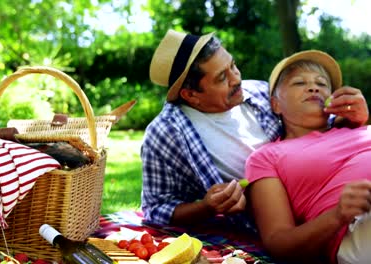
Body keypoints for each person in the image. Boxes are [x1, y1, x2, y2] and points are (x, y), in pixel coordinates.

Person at [140, 29, 369, 228]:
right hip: (283, 222)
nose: (237, 78)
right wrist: (207, 207)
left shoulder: (258, 93)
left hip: (325, 192)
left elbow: (323, 131)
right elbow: (156, 208)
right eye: (222, 78)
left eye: (233, 65)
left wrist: (355, 118)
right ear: (191, 95)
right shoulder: (165, 134)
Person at [245, 50, 371, 264]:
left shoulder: (354, 127)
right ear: (275, 104)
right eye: (299, 83)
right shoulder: (265, 158)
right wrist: (338, 215)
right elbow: (278, 242)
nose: (313, 87)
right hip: (356, 226)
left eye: (322, 84)